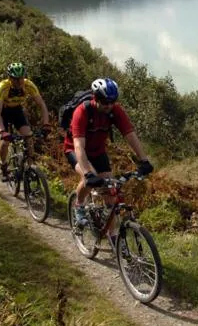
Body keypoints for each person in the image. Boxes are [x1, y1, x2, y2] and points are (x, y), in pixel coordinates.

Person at [64, 77, 153, 248]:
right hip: (75, 150)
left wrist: (144, 160)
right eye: (105, 102)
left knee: (111, 194)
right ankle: (79, 206)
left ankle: (113, 238)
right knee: (89, 179)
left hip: (98, 152)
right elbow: (78, 146)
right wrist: (88, 174)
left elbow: (130, 136)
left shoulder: (115, 111)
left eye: (112, 101)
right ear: (95, 98)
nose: (109, 105)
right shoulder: (82, 112)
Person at [0, 62, 51, 181]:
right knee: (4, 144)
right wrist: (2, 131)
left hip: (17, 111)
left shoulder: (29, 85)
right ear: (10, 78)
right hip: (3, 112)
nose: (19, 82)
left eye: (21, 78)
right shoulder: (2, 87)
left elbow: (42, 105)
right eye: (15, 79)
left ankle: (30, 168)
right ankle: (3, 165)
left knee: (28, 136)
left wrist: (46, 124)